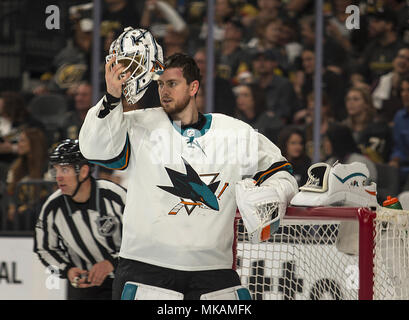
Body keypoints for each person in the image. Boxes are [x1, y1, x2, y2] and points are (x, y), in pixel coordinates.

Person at [78, 27, 298, 300]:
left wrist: (275, 193)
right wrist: (112, 97)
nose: (164, 91)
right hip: (146, 270)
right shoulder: (140, 125)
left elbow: (283, 172)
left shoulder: (233, 133)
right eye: (160, 84)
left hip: (212, 274)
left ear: (193, 87)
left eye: (172, 84)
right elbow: (94, 149)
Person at [34, 139, 126, 300]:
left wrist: (113, 262)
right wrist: (67, 270)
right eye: (56, 171)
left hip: (123, 282)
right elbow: (44, 249)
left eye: (64, 170)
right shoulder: (52, 207)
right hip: (84, 287)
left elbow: (143, 236)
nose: (58, 178)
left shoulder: (114, 195)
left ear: (83, 172)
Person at [4, 127, 49, 230]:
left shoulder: (46, 167)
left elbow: (47, 194)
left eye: (23, 141)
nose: (19, 144)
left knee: (28, 213)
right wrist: (11, 207)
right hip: (18, 208)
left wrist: (26, 207)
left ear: (34, 144)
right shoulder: (15, 167)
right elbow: (9, 192)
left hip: (36, 210)